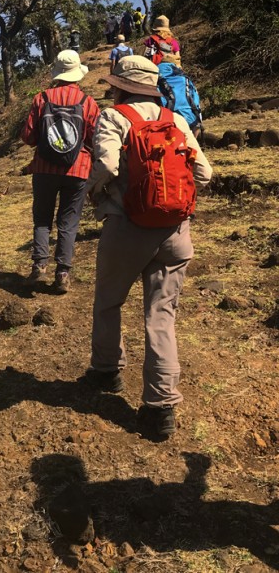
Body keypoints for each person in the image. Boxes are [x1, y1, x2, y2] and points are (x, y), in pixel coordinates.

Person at [82, 55, 213, 441]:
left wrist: (95, 190)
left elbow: (105, 164)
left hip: (126, 227)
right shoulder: (176, 120)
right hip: (174, 232)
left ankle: (106, 371)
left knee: (108, 300)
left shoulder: (113, 117)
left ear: (120, 86)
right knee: (161, 317)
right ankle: (161, 408)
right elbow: (205, 173)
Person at [20, 50, 100, 293]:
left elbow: (28, 137)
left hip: (44, 167)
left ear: (57, 73)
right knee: (69, 221)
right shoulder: (88, 102)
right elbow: (95, 139)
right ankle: (63, 272)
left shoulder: (41, 98)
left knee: (42, 218)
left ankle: (39, 265)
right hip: (78, 169)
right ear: (78, 74)